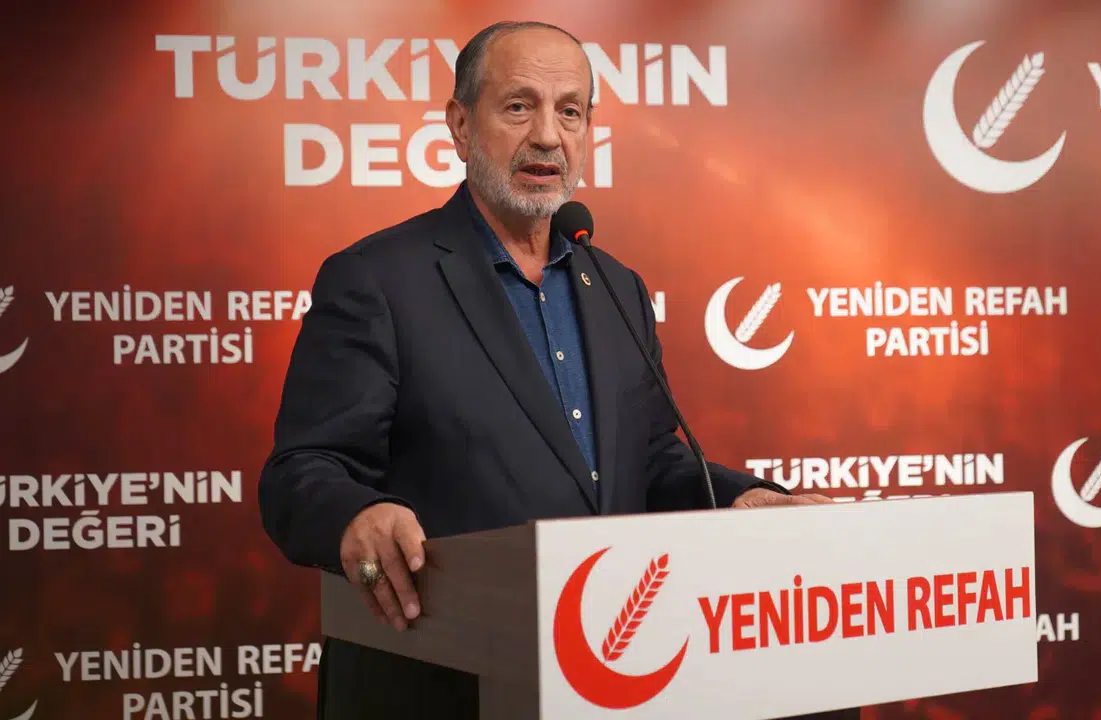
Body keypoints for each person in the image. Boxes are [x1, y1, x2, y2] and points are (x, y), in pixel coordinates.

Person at [258, 20, 838, 720]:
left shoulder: (615, 285)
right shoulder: (377, 278)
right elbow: (302, 471)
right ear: (460, 126)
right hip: (439, 684)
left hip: (608, 677)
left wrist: (740, 499)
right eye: (518, 106)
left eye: (570, 112)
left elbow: (646, 461)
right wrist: (355, 514)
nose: (547, 136)